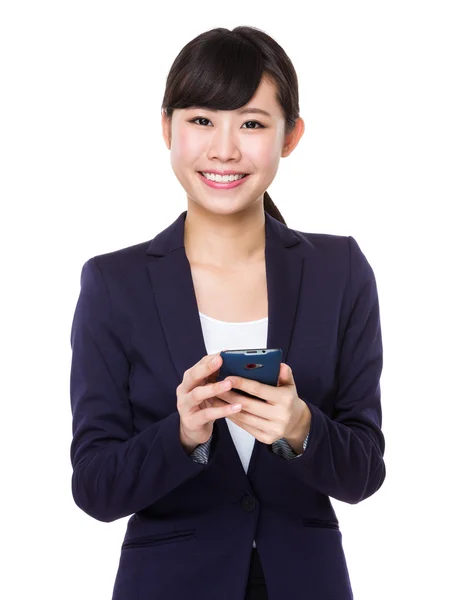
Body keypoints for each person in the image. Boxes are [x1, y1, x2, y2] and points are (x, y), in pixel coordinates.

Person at [69, 25, 386, 600]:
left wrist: (300, 427)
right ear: (166, 127)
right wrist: (184, 433)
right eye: (201, 120)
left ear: (291, 135)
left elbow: (365, 472)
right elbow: (95, 487)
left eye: (252, 123)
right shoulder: (114, 284)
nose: (224, 148)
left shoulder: (339, 270)